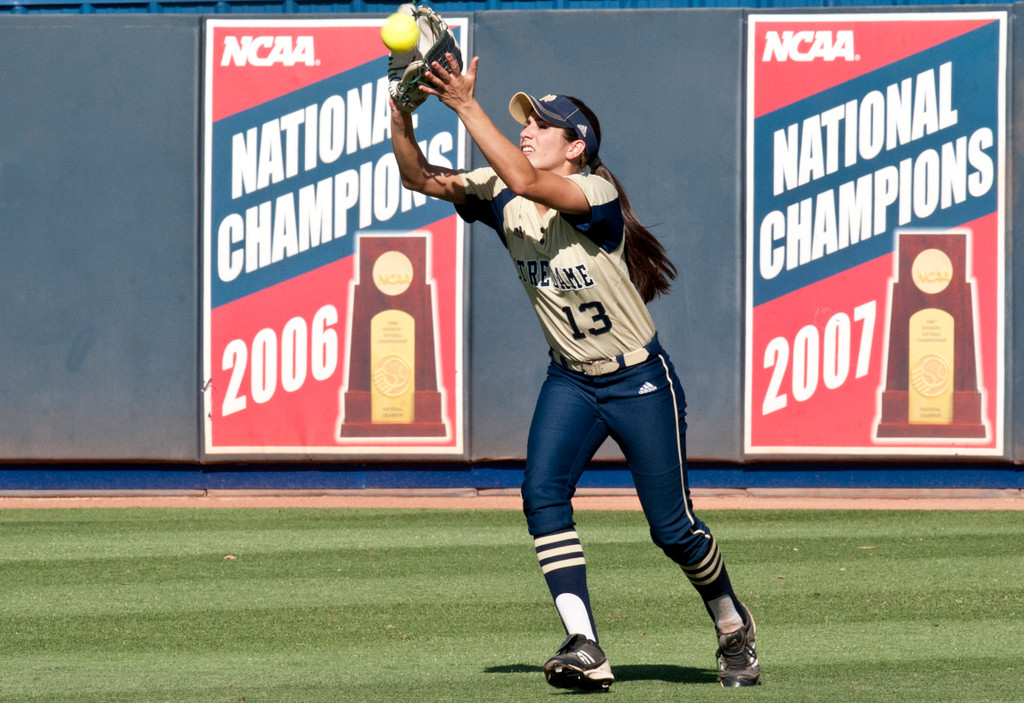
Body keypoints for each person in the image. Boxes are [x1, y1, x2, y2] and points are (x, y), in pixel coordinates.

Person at [388, 51, 760, 691]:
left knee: (672, 530)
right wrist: (401, 115)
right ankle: (584, 642)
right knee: (541, 494)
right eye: (525, 121)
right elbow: (417, 177)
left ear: (576, 147)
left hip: (638, 379)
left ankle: (731, 621)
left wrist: (467, 105)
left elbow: (532, 186)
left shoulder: (595, 193)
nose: (528, 129)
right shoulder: (499, 190)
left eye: (542, 124)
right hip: (572, 380)